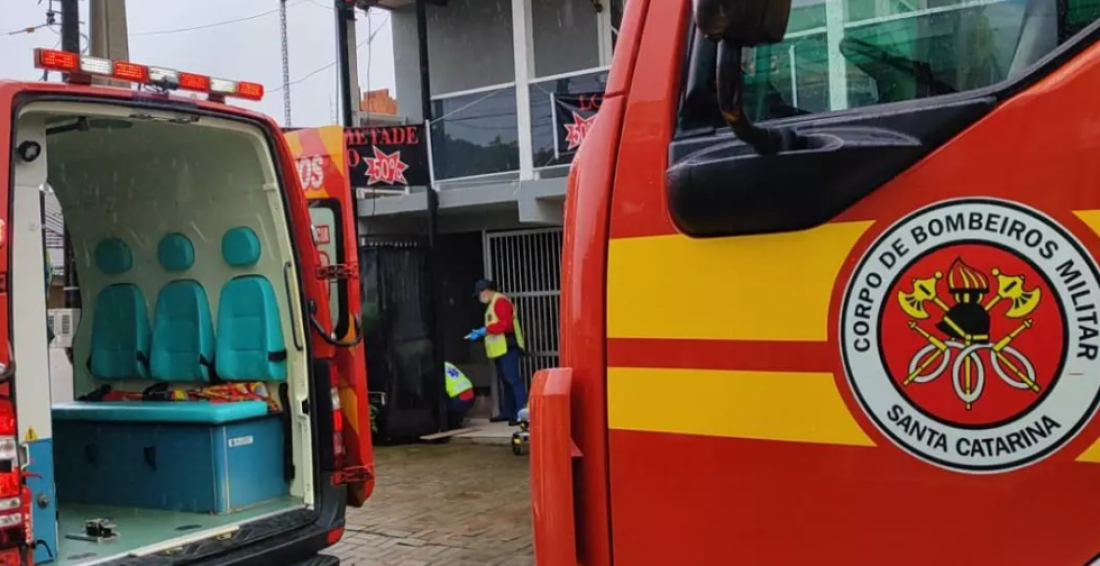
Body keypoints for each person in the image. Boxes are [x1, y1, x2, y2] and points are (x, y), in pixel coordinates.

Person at [465, 279, 526, 425]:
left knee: (513, 380)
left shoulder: (500, 302)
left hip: (507, 346)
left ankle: (521, 414)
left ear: (485, 291)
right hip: (501, 349)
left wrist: (485, 330)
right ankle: (509, 412)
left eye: (479, 295)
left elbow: (506, 325)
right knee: (506, 381)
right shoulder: (494, 303)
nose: (479, 298)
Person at [444, 361, 475, 429]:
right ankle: (457, 419)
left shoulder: (435, 368)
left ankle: (454, 421)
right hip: (471, 395)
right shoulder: (446, 364)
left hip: (460, 399)